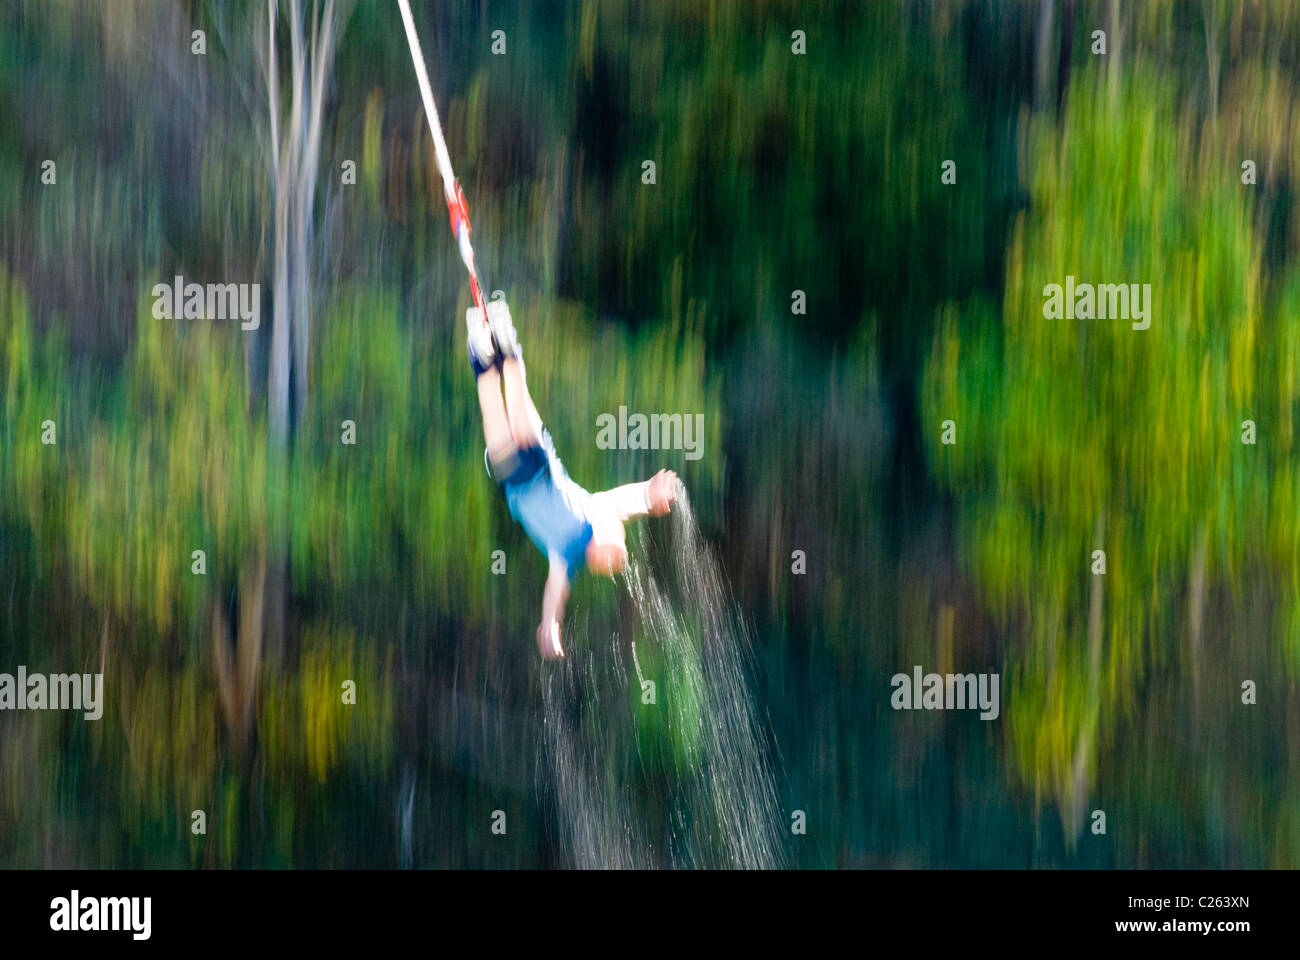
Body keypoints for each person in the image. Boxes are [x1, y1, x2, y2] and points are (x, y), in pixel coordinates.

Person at [467, 298, 678, 659]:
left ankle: (483, 353)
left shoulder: (567, 558)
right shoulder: (596, 514)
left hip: (516, 482)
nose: (601, 555)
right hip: (542, 466)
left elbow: (555, 591)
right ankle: (504, 343)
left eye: (603, 560)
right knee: (519, 405)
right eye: (609, 549)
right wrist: (648, 495)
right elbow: (624, 502)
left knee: (495, 412)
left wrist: (550, 622)